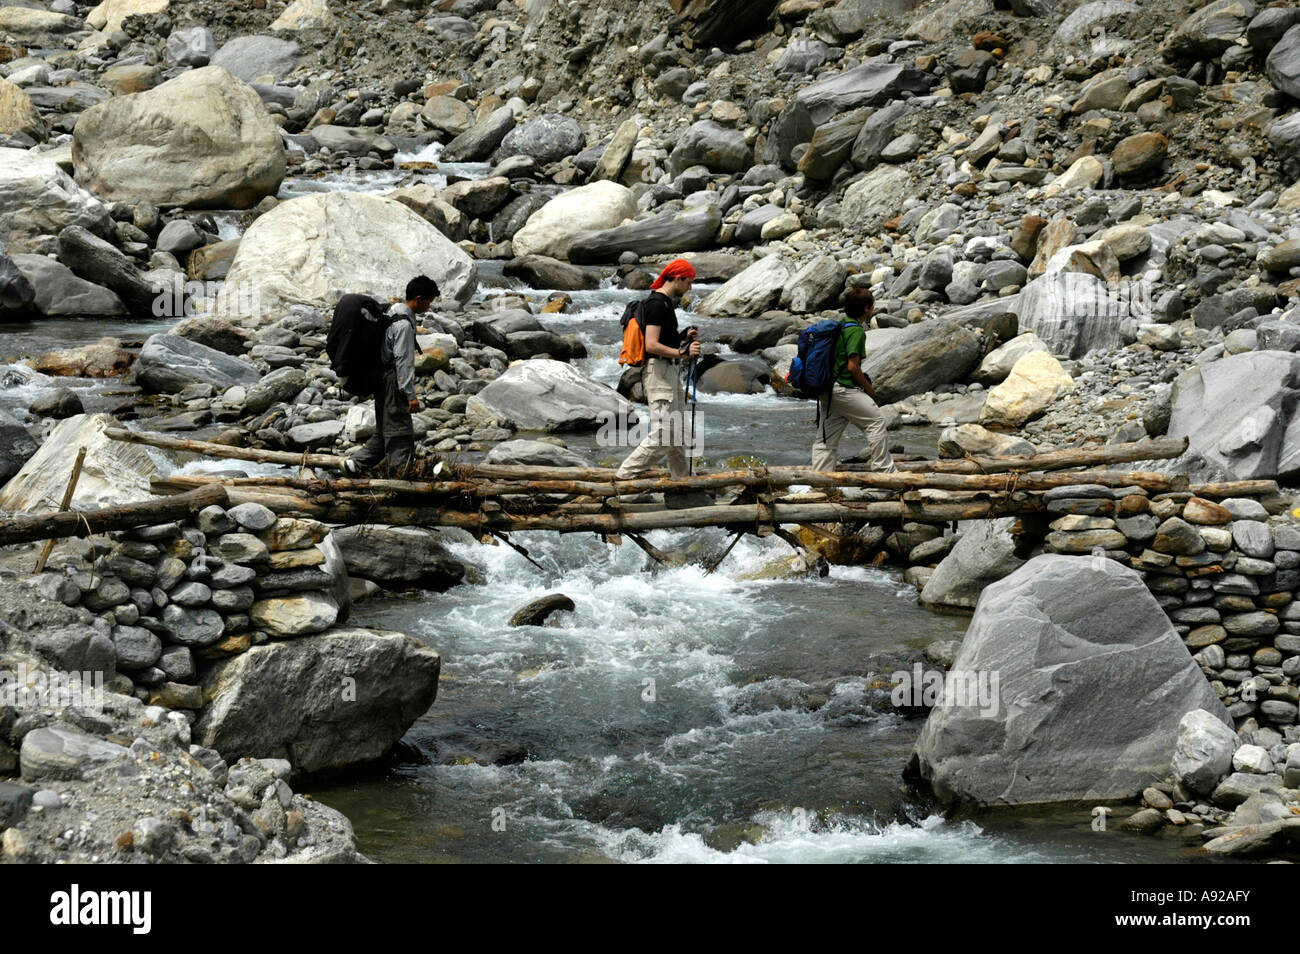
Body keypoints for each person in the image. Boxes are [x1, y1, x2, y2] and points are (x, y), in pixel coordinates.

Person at [616, 258, 701, 481]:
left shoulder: (665, 304)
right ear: (677, 278)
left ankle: (683, 482)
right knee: (665, 434)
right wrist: (683, 353)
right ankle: (623, 477)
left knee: (679, 432)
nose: (690, 287)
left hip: (669, 372)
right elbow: (651, 345)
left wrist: (683, 336)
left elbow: (662, 340)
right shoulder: (656, 304)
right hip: (659, 373)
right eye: (689, 282)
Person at [344, 275, 438, 474]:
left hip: (381, 378)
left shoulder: (393, 311)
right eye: (428, 302)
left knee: (384, 430)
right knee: (399, 432)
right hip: (394, 383)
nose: (429, 307)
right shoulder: (403, 325)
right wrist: (410, 395)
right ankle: (401, 478)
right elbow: (403, 361)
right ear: (418, 299)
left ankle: (354, 464)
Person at [811, 286, 897, 473]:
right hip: (844, 390)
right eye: (872, 305)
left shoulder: (841, 326)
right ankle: (884, 472)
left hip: (828, 390)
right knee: (876, 422)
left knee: (826, 439)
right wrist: (869, 389)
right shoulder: (856, 331)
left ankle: (820, 480)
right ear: (867, 308)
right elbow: (853, 367)